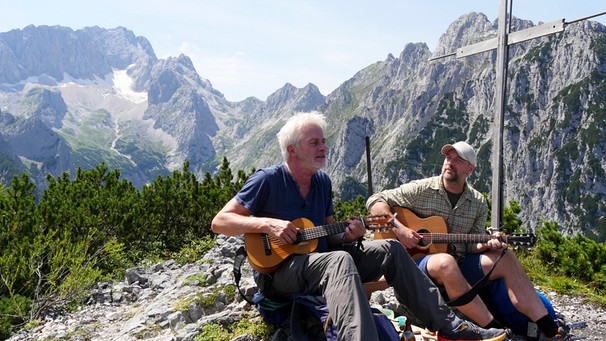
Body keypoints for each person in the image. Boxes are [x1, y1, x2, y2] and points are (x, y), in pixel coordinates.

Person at [211, 113, 507, 341]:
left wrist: (347, 234)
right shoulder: (268, 180)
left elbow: (329, 235)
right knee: (338, 260)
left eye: (324, 141)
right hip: (279, 272)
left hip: (319, 263)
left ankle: (453, 328)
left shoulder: (321, 182)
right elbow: (219, 222)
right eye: (315, 143)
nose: (324, 147)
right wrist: (268, 224)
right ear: (292, 150)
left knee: (390, 247)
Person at [366, 141, 568, 341]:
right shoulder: (422, 190)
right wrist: (400, 230)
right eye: (448, 157)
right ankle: (496, 332)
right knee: (446, 261)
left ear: (469, 169)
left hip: (460, 266)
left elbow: (473, 244)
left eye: (458, 160)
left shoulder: (478, 202)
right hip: (415, 265)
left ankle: (550, 329)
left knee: (505, 257)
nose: (449, 163)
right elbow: (375, 201)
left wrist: (487, 244)